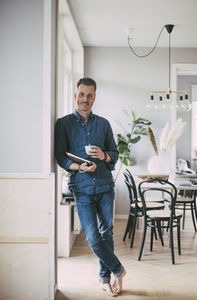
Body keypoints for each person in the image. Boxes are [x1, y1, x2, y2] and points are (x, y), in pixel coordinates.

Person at [55, 77, 126, 296]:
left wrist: (103, 155)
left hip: (105, 186)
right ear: (75, 95)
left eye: (90, 95)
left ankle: (105, 279)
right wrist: (77, 166)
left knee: (106, 233)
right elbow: (60, 155)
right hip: (81, 187)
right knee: (92, 236)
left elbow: (114, 154)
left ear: (94, 97)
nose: (85, 99)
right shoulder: (63, 123)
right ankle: (118, 269)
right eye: (82, 94)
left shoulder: (103, 123)